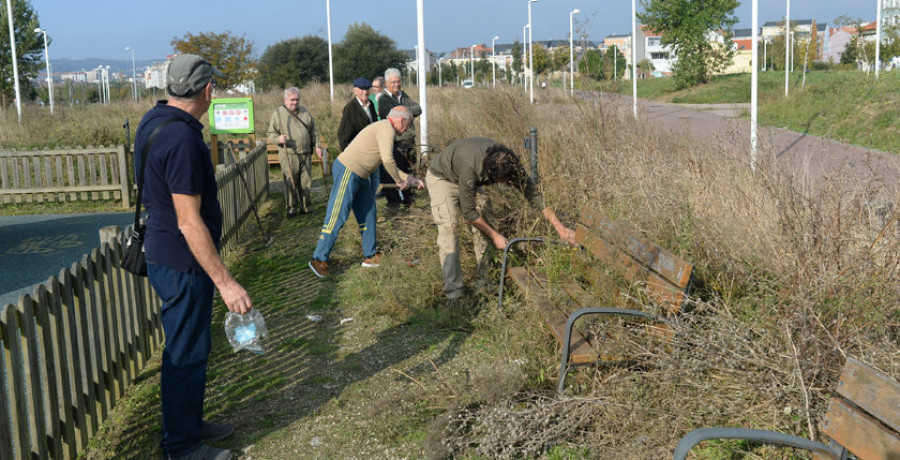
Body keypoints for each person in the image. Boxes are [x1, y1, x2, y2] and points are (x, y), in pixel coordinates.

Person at [134, 54, 252, 460]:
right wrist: (226, 282)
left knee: (192, 347)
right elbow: (189, 221)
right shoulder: (182, 140)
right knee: (185, 352)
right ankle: (182, 447)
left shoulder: (154, 119)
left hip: (166, 254)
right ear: (206, 90)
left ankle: (189, 424)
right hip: (183, 262)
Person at [425, 137, 576, 300]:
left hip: (470, 176)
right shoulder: (471, 168)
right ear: (490, 172)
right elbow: (469, 213)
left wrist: (560, 228)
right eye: (504, 181)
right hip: (444, 179)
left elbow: (533, 195)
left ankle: (484, 283)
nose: (507, 184)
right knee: (450, 230)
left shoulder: (509, 162)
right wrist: (495, 236)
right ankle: (455, 295)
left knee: (485, 223)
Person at [308, 106, 424, 278]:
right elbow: (387, 159)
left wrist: (410, 179)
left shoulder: (385, 129)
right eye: (408, 125)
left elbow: (386, 162)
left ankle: (370, 255)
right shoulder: (386, 128)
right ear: (402, 120)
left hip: (362, 175)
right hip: (349, 169)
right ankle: (318, 258)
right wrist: (400, 181)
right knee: (338, 214)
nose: (407, 129)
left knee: (369, 213)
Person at [267, 87, 323, 217]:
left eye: (297, 99)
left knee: (306, 181)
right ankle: (291, 210)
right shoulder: (278, 114)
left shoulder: (305, 112)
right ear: (285, 100)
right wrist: (278, 139)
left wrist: (318, 146)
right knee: (291, 182)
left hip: (305, 153)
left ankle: (306, 208)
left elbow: (314, 131)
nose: (295, 102)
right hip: (289, 154)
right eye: (292, 100)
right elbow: (271, 133)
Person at [377, 68, 422, 210]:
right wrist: (406, 111)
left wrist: (404, 111)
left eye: (399, 81)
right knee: (394, 171)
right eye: (393, 82)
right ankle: (393, 202)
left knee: (410, 169)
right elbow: (391, 115)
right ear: (386, 83)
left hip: (410, 141)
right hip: (396, 142)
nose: (397, 84)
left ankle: (409, 200)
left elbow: (418, 108)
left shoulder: (404, 95)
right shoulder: (383, 99)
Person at [337, 77, 378, 151]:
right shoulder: (350, 108)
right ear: (355, 91)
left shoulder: (371, 104)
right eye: (362, 89)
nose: (365, 92)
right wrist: (349, 153)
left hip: (372, 149)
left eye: (367, 89)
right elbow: (343, 134)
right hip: (358, 151)